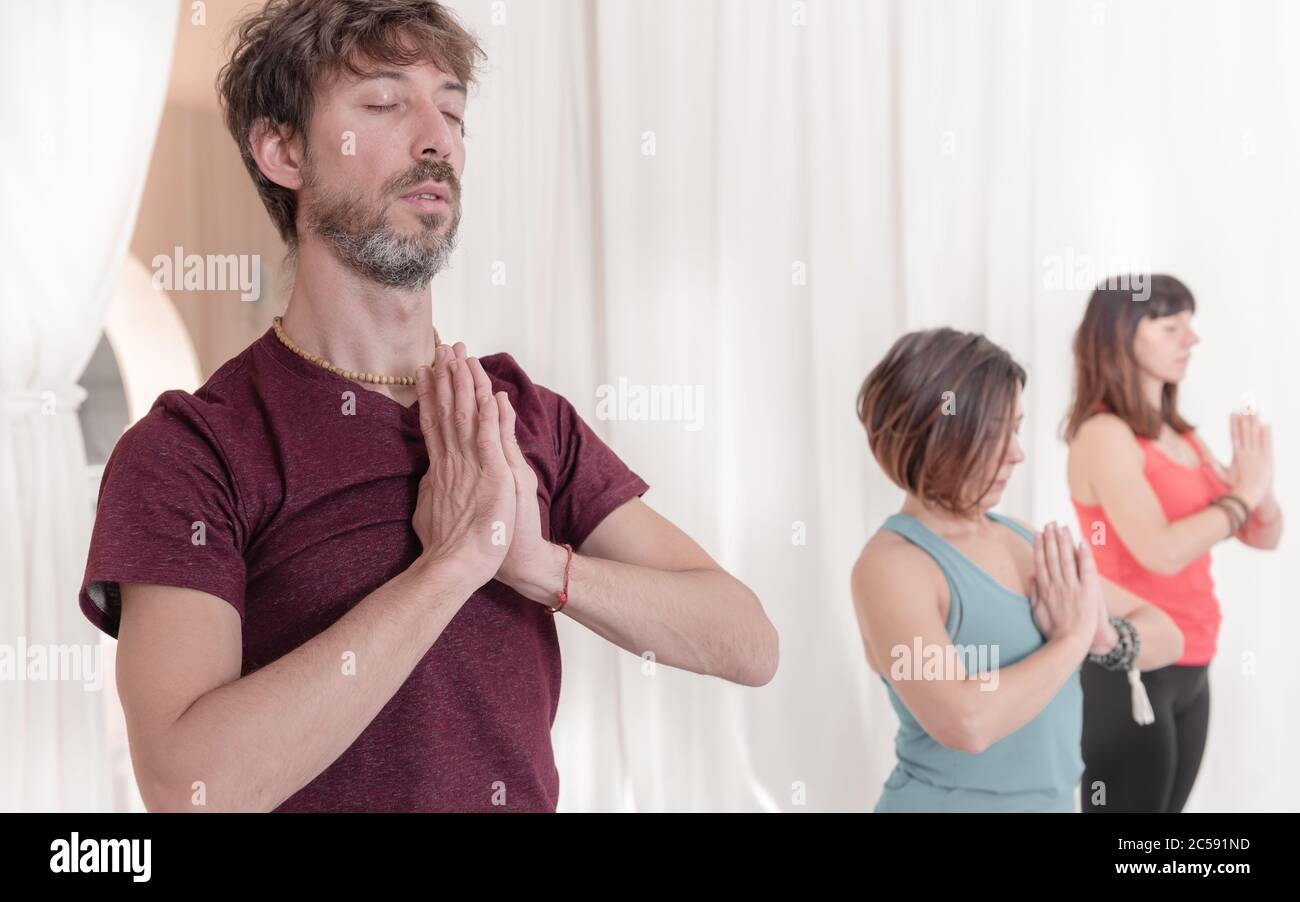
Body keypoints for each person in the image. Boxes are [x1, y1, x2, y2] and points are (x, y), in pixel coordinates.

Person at [77, 0, 777, 813]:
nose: (436, 138)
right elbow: (187, 785)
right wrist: (449, 568)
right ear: (283, 150)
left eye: (451, 108)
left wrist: (537, 565)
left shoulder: (520, 415)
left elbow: (748, 641)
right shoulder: (193, 449)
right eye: (383, 103)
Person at [851, 328, 1182, 812]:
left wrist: (1104, 639)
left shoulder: (1025, 539)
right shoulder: (892, 568)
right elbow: (967, 721)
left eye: (1017, 428)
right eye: (995, 432)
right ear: (935, 432)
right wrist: (1071, 641)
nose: (1017, 452)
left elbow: (1167, 634)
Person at [1065, 275, 1282, 812]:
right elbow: (1159, 549)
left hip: (1193, 658)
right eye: (1170, 326)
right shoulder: (1103, 435)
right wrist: (1239, 498)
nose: (1192, 339)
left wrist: (1260, 488)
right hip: (1130, 662)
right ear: (1120, 336)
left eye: (1190, 324)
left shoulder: (1181, 436)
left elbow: (1263, 535)